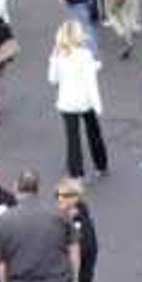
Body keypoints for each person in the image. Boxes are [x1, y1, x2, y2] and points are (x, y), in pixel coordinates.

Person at [48, 15, 108, 181]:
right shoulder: (85, 55)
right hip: (85, 101)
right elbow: (91, 82)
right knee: (94, 133)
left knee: (72, 138)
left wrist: (53, 58)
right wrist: (98, 105)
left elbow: (52, 79)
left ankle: (76, 172)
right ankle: (101, 164)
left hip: (66, 103)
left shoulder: (58, 56)